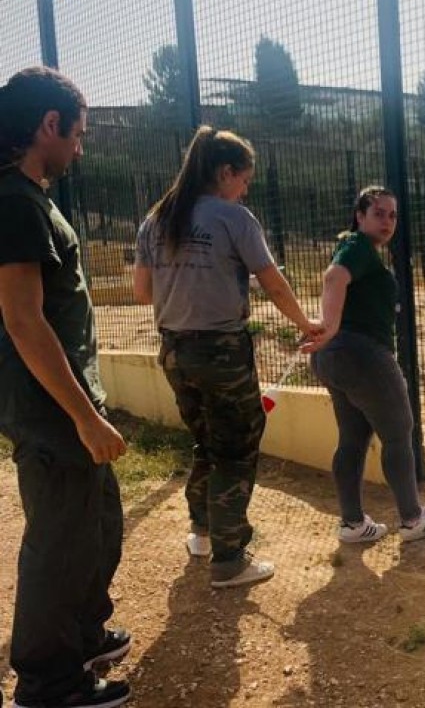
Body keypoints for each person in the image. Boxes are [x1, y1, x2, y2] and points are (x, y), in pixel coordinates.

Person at [132, 126, 320, 589]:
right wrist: (305, 323)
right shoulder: (234, 218)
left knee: (206, 442)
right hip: (221, 351)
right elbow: (273, 284)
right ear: (224, 172)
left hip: (174, 350)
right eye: (244, 180)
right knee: (236, 449)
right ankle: (229, 558)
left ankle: (202, 532)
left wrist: (193, 279)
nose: (245, 190)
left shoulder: (156, 218)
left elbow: (142, 292)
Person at [0, 67, 131, 708]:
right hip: (50, 409)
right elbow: (23, 320)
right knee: (59, 543)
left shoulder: (29, 198)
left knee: (98, 525)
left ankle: (82, 636)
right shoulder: (13, 202)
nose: (79, 149)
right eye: (77, 135)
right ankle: (48, 683)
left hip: (64, 402)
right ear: (48, 125)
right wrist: (83, 416)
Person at [303, 185, 425, 543]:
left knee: (352, 439)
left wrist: (330, 331)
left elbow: (339, 283)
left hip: (335, 357)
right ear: (360, 216)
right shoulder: (357, 246)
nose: (387, 221)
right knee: (399, 432)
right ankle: (413, 519)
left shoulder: (356, 249)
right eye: (378, 213)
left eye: (393, 215)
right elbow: (333, 277)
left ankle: (352, 524)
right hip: (364, 355)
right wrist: (331, 325)